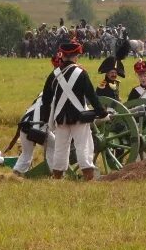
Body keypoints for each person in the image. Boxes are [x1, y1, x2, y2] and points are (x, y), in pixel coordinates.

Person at [39, 41, 109, 180]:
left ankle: (57, 178)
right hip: (79, 117)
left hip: (60, 119)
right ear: (76, 56)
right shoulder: (81, 73)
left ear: (63, 56)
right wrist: (103, 113)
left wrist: (45, 119)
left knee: (60, 149)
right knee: (83, 146)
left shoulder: (54, 74)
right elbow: (92, 96)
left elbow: (46, 100)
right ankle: (88, 177)